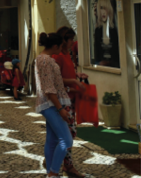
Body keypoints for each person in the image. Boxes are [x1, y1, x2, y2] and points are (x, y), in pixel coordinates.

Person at [35, 32, 73, 178]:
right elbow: (49, 89)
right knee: (66, 139)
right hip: (51, 104)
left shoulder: (42, 59)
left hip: (48, 103)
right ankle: (53, 172)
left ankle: (50, 173)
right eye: (61, 46)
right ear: (55, 46)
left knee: (52, 140)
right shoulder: (46, 61)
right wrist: (60, 109)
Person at [53, 27, 88, 178]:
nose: (73, 42)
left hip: (71, 98)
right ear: (64, 40)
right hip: (62, 100)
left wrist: (77, 75)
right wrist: (73, 81)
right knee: (69, 133)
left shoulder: (68, 54)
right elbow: (56, 80)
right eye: (71, 39)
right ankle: (65, 166)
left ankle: (61, 163)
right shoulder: (58, 56)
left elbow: (68, 73)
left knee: (67, 134)